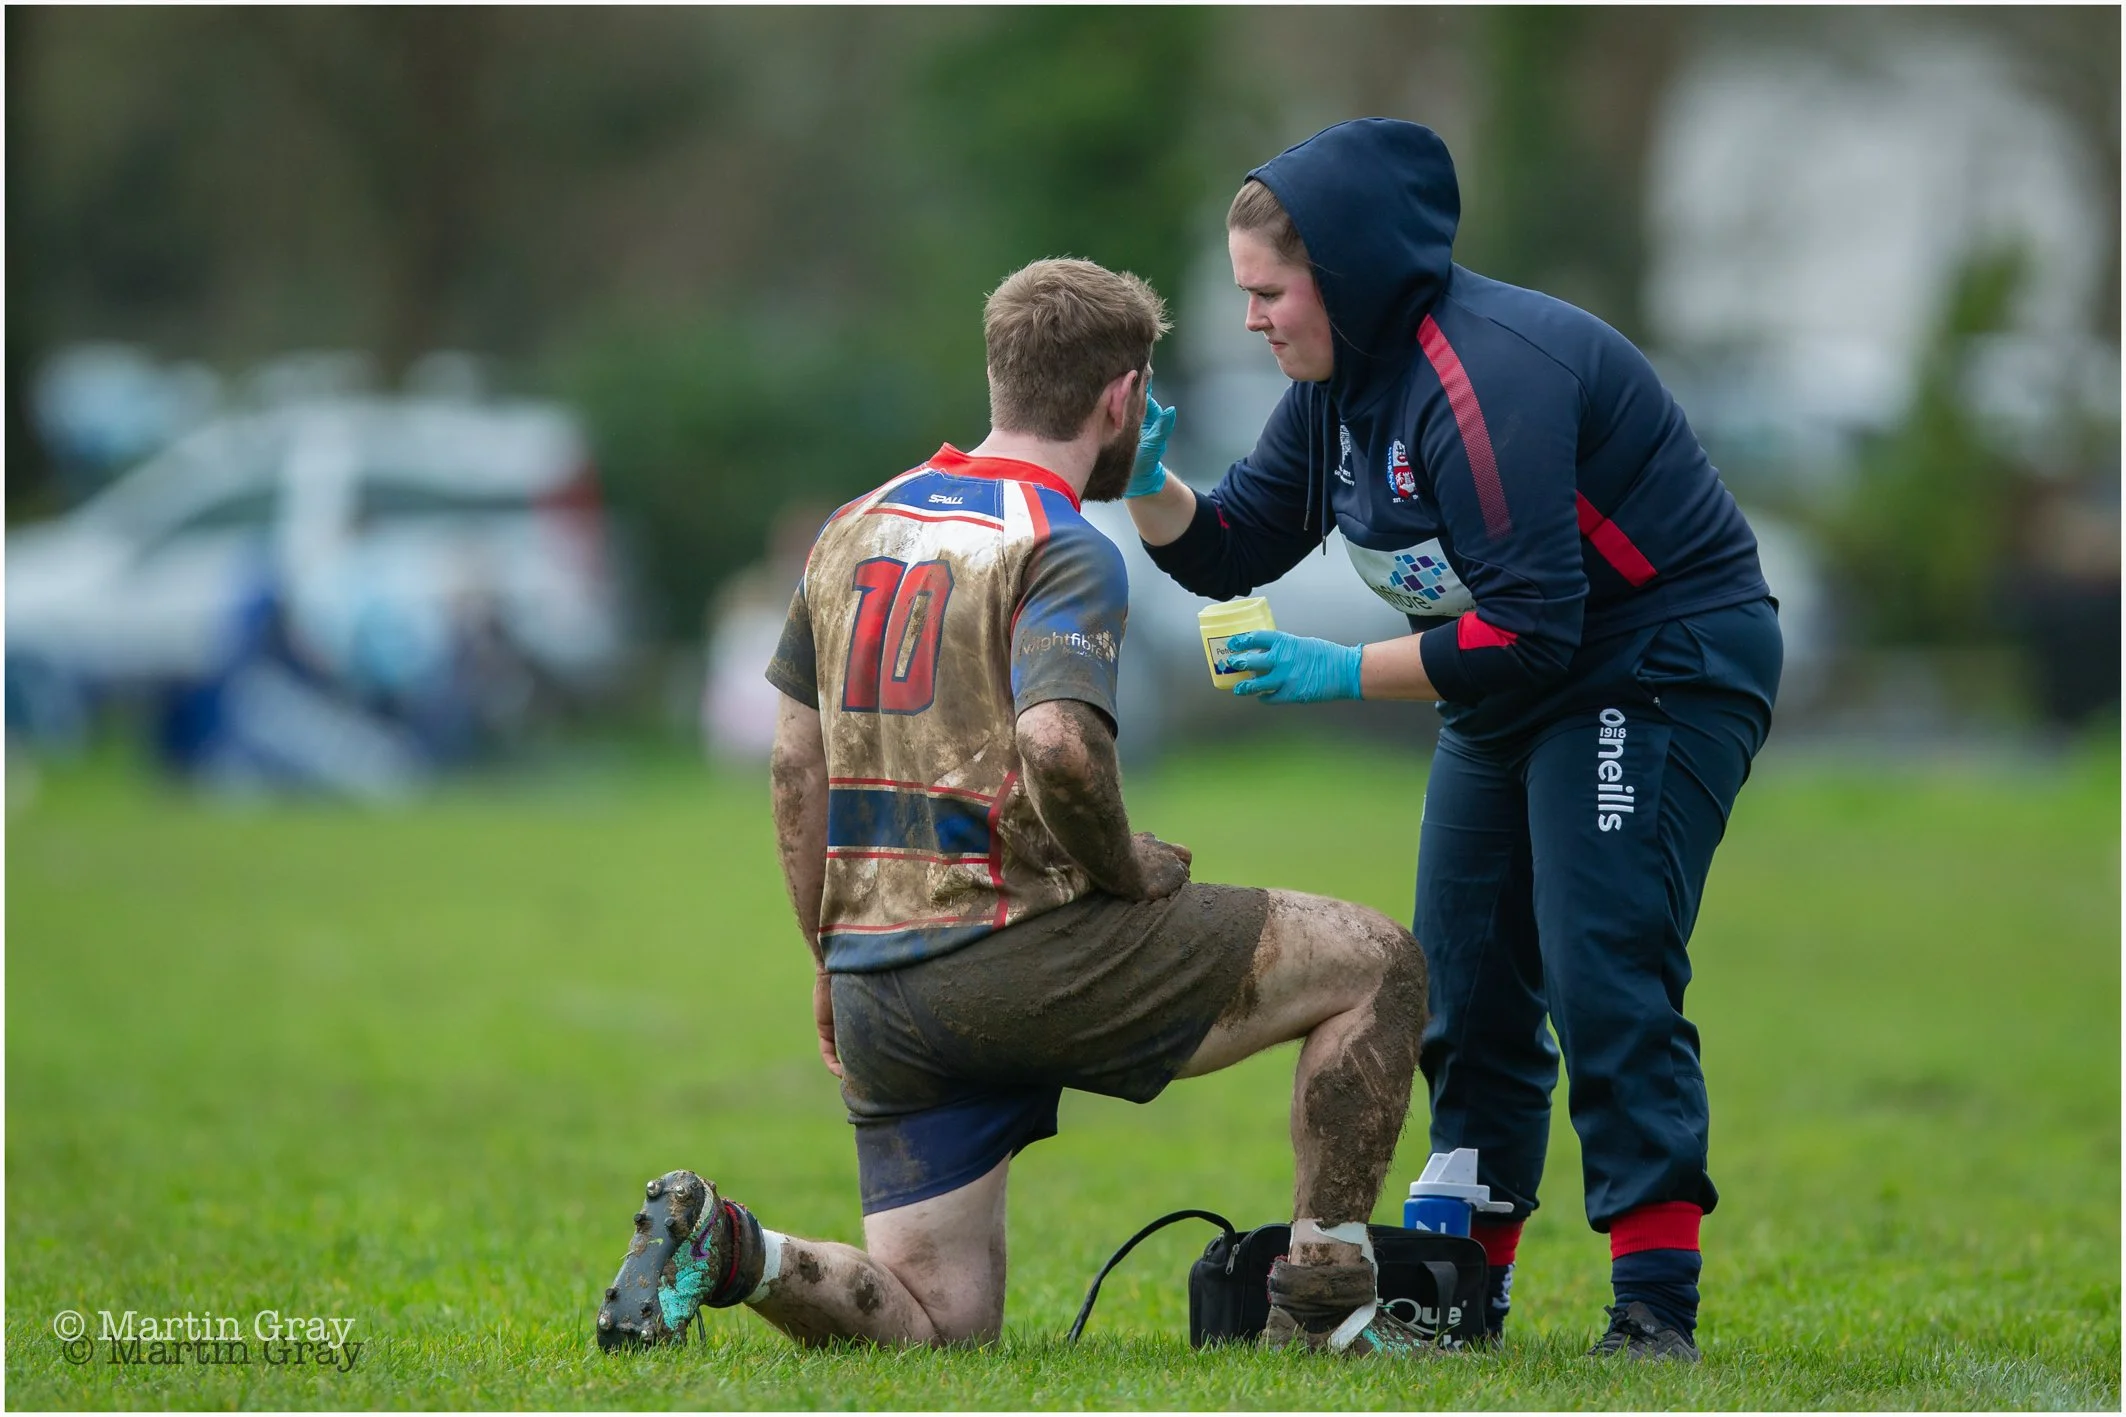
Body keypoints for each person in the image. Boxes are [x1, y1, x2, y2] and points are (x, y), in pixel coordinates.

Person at [596, 257, 1435, 1356]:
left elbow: (793, 771)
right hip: (1019, 956)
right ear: (1121, 399)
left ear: (1000, 376)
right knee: (1376, 960)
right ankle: (1325, 1310)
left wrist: (827, 953)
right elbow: (1057, 745)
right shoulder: (1061, 543)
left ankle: (734, 1247)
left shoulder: (849, 527)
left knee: (937, 1325)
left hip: (880, 985)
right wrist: (1128, 868)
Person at [1122, 119, 1783, 1363]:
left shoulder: (1486, 376)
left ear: (1349, 275)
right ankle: (1460, 1288)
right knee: (1460, 985)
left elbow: (1534, 629)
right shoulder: (1338, 387)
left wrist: (1332, 670)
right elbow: (1230, 546)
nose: (1252, 319)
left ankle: (1652, 1306)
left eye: (1267, 292)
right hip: (1511, 677)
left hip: (1652, 665)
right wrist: (1146, 483)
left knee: (1600, 961)